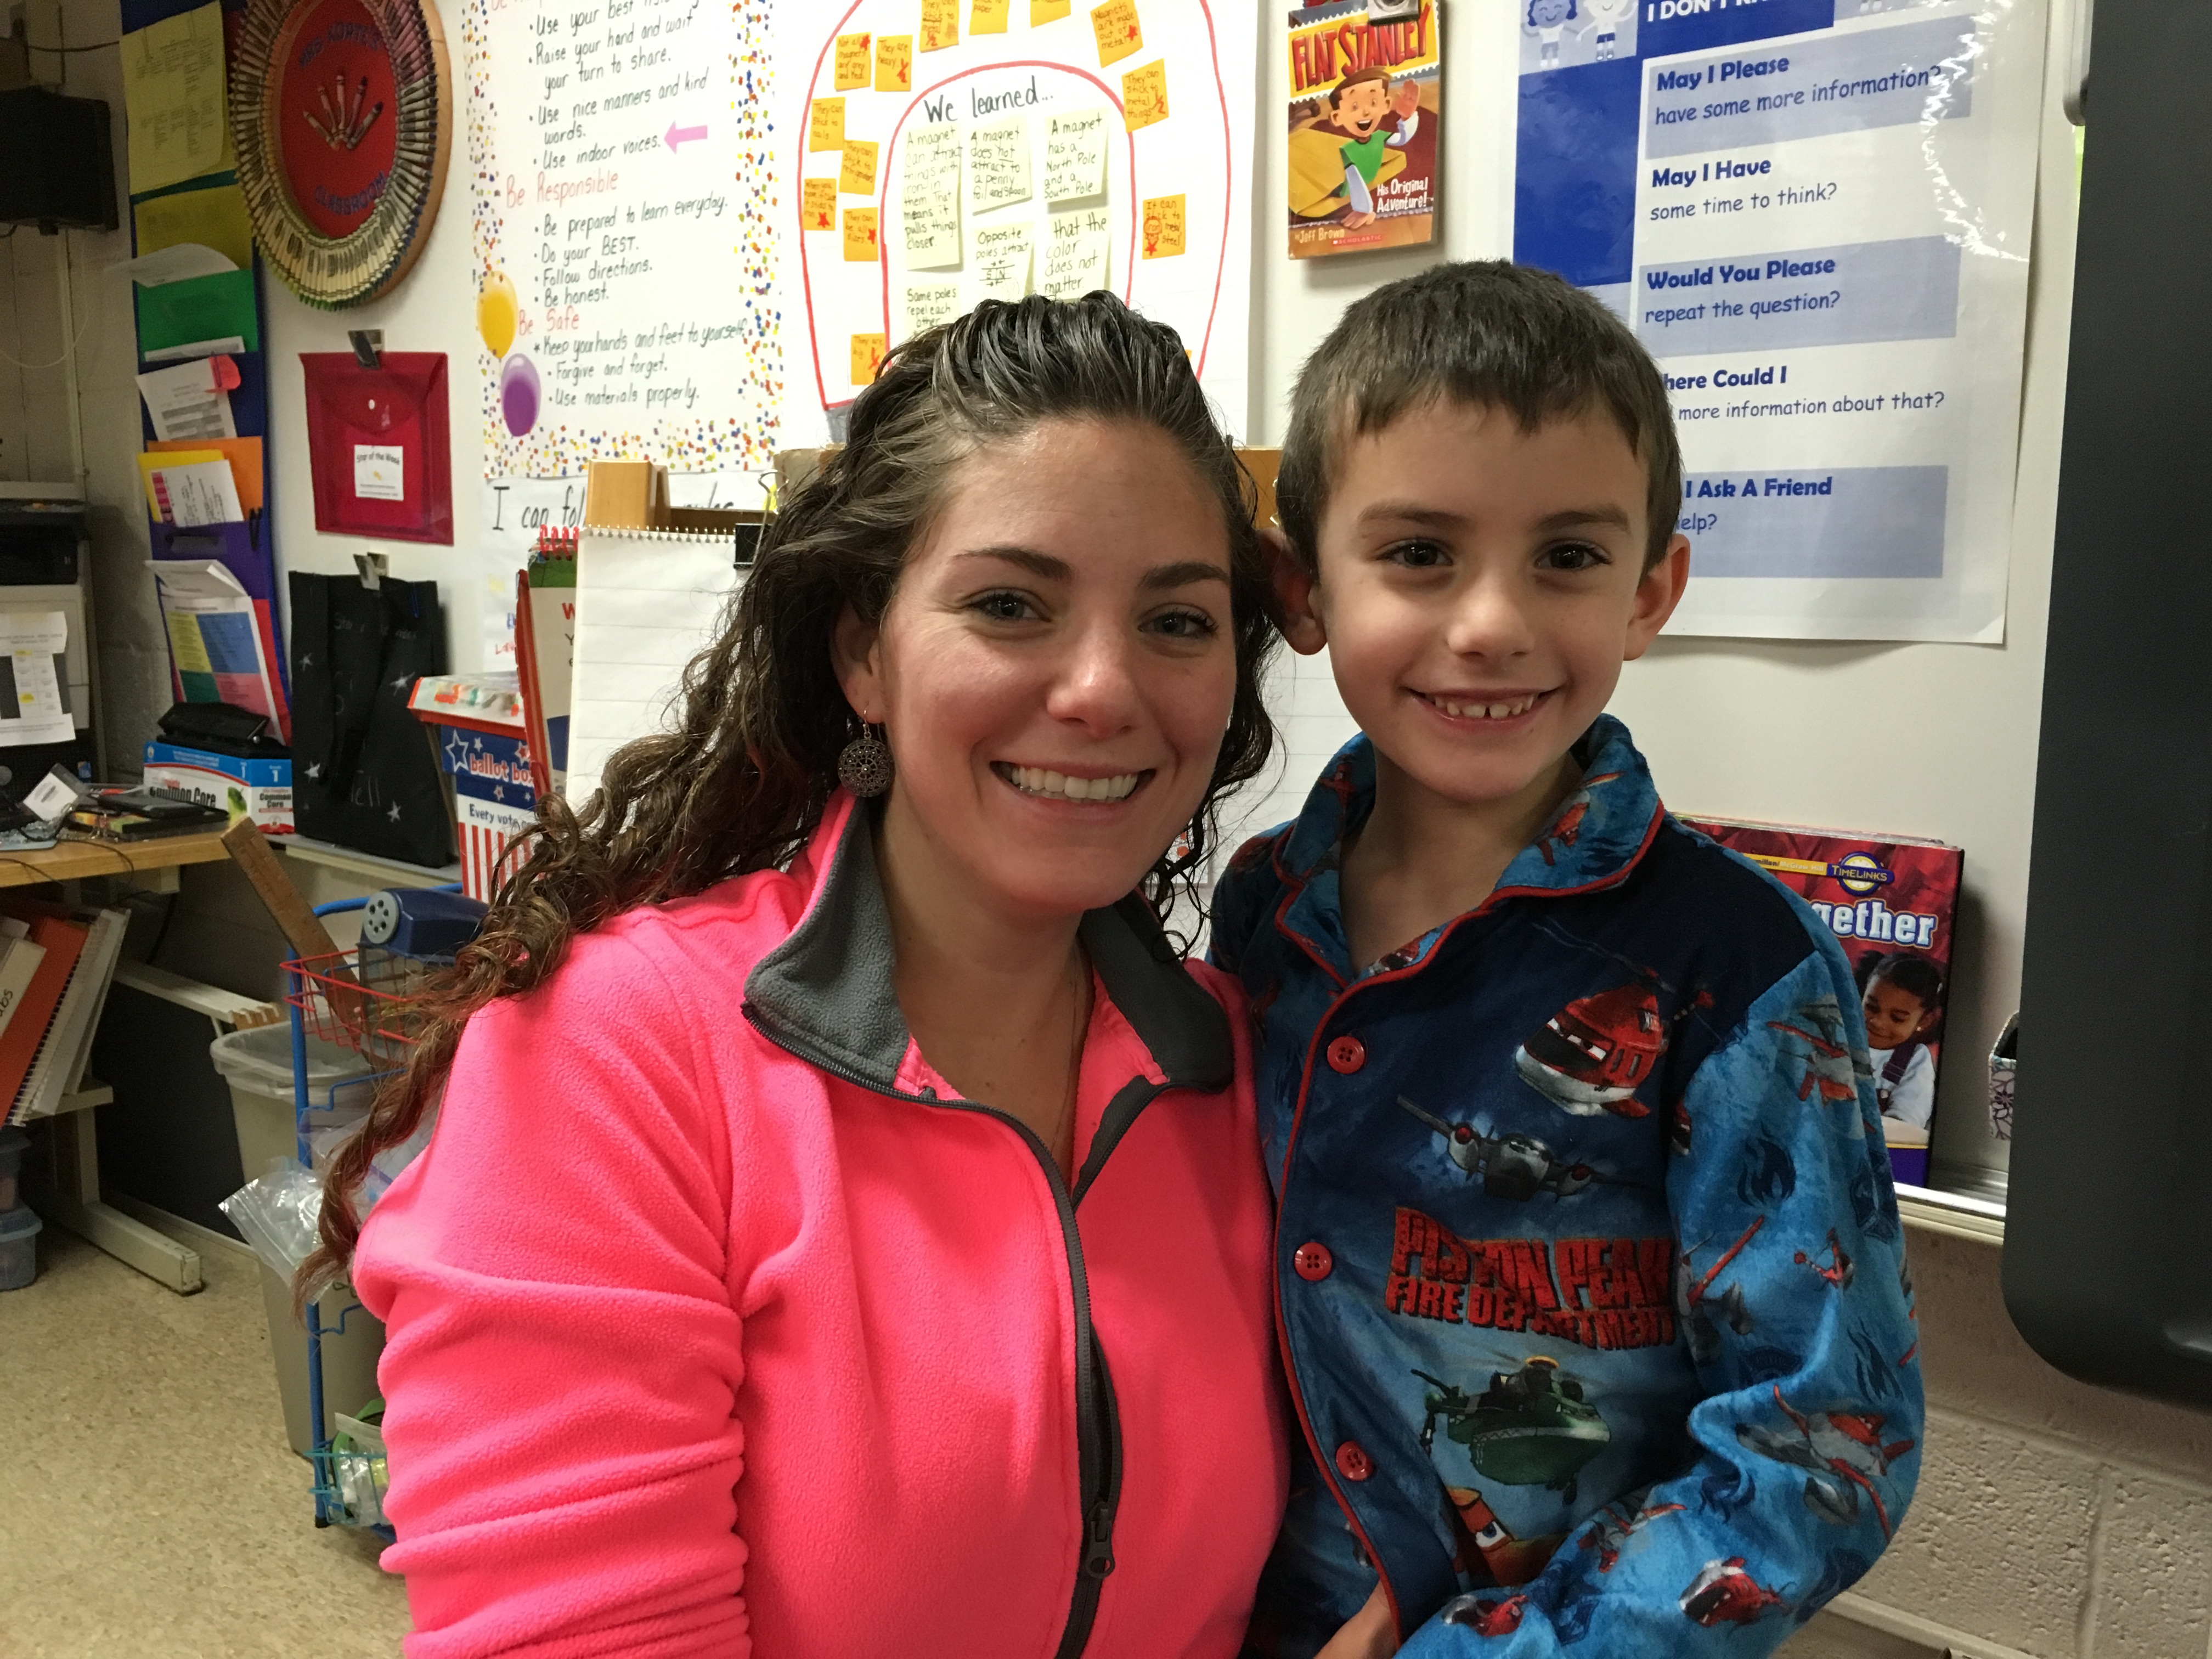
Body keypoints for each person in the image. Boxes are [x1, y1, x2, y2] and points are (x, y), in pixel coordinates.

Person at [305, 294, 1294, 1658]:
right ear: (862, 653)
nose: (1103, 689)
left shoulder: (1242, 1066)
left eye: (1178, 622)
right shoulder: (622, 1053)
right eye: (1010, 605)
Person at [1207, 262, 1922, 1658]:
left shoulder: (1742, 971)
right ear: (1303, 589)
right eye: (1420, 554)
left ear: (1652, 592)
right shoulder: (1261, 908)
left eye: (1570, 558)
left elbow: (1817, 1450)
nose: (1493, 623)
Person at [1857, 952, 1945, 1131]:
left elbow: (1906, 1123)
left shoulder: (1915, 1059)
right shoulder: (1837, 1036)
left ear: (1924, 1021)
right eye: (1871, 1007)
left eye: (1897, 1018)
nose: (1878, 1022)